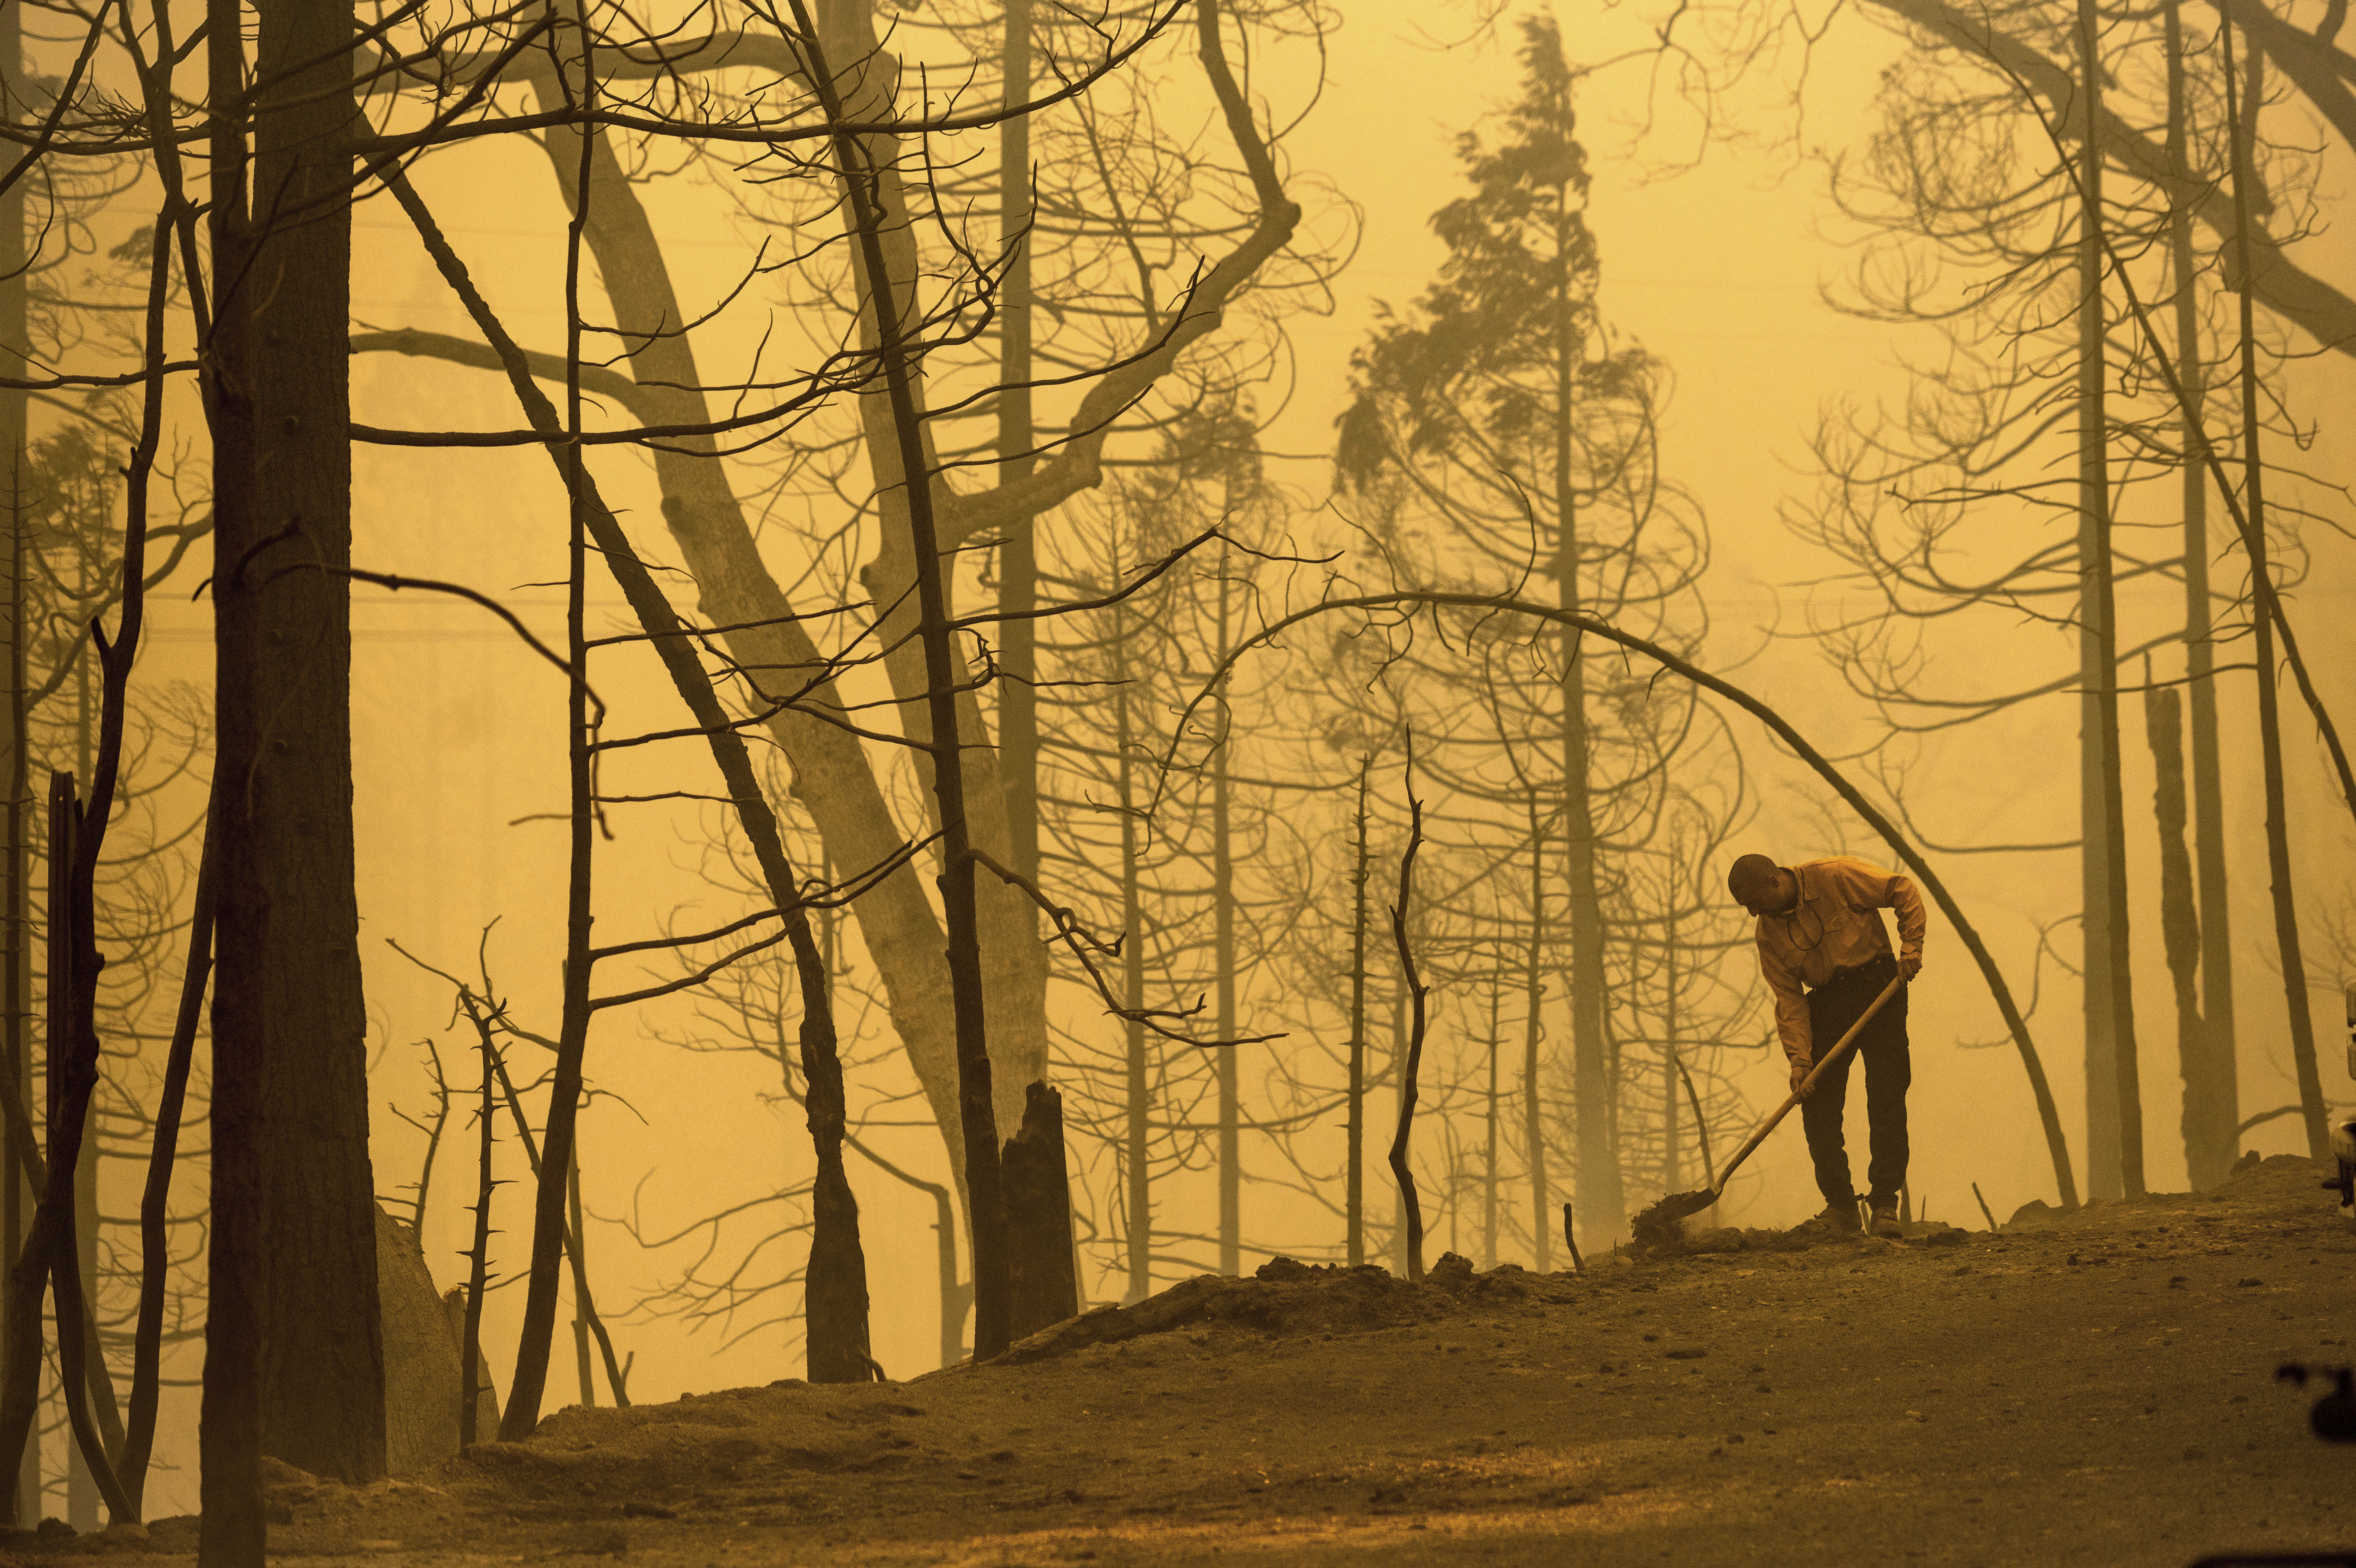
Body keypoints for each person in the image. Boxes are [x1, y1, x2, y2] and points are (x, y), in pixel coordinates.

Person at [1727, 852, 1926, 1239]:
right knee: (1815, 1101)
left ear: (1774, 882)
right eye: (1745, 907)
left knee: (1886, 1094)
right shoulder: (1767, 933)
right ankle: (1841, 1208)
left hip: (1879, 985)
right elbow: (1789, 999)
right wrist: (1799, 1059)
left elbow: (1901, 889)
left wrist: (1911, 947)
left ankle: (1885, 1204)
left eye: (1754, 902)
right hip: (1827, 1002)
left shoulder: (1835, 876)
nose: (1753, 913)